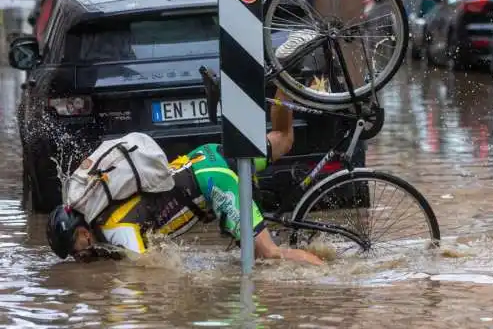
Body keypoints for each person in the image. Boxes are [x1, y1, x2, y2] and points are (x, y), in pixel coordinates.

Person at [46, 34, 324, 265]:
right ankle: (288, 69)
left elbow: (146, 273)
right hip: (207, 158)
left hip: (214, 181)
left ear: (82, 233)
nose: (79, 258)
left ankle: (334, 279)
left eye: (75, 251)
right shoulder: (106, 213)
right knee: (283, 138)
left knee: (269, 256)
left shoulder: (115, 229)